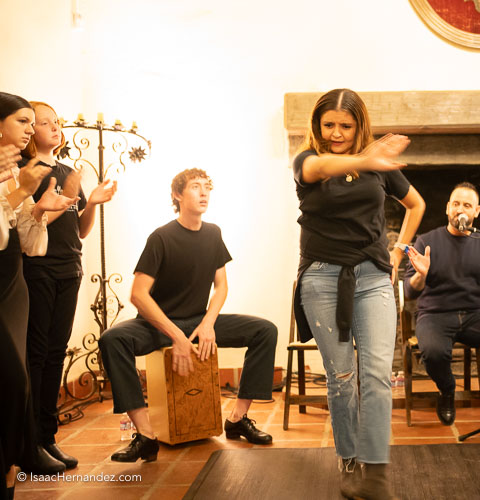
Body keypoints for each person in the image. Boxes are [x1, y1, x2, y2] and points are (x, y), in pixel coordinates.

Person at [293, 88, 425, 500]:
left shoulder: (379, 166)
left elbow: (416, 205)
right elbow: (319, 167)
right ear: (317, 125)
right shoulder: (307, 161)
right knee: (342, 378)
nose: (336, 132)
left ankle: (376, 473)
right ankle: (348, 459)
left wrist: (399, 253)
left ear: (358, 125)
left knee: (377, 377)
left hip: (372, 277)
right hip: (321, 277)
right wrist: (364, 159)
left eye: (345, 126)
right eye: (329, 124)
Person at [99, 168, 277, 462]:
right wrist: (176, 336)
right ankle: (145, 435)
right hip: (158, 324)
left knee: (265, 330)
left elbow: (221, 286)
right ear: (177, 195)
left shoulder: (213, 233)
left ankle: (237, 419)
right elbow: (138, 295)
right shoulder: (161, 237)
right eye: (195, 187)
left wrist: (208, 323)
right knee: (112, 339)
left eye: (207, 187)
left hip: (197, 321)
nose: (204, 192)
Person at [19, 100, 118, 470]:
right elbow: (29, 223)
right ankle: (31, 442)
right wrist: (60, 202)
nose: (53, 128)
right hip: (38, 269)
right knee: (38, 354)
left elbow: (79, 230)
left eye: (55, 122)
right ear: (30, 134)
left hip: (69, 267)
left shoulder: (67, 169)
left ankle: (48, 437)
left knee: (57, 352)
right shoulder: (24, 170)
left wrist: (90, 202)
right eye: (43, 123)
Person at [403, 182, 480, 448]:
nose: (460, 209)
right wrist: (421, 276)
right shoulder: (426, 241)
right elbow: (409, 292)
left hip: (473, 315)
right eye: (455, 203)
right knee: (433, 352)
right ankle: (447, 389)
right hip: (434, 315)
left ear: (476, 211)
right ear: (447, 208)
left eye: (467, 205)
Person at [1, 92, 78, 498]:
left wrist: (41, 209)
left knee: (40, 363)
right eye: (24, 121)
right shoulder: (20, 172)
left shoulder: (26, 173)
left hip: (26, 274)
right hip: (17, 278)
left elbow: (29, 237)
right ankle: (27, 448)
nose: (32, 128)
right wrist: (25, 195)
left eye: (37, 121)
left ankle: (36, 445)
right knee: (19, 372)